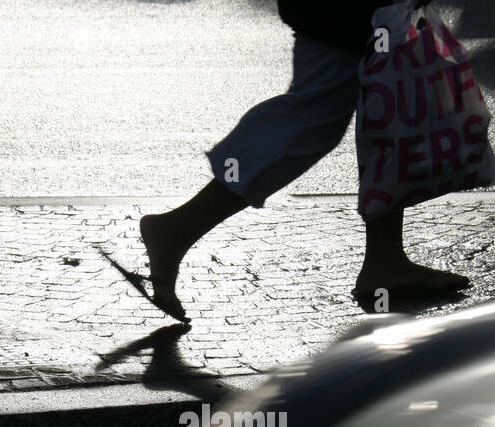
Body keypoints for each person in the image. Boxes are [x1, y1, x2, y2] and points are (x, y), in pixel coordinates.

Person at [140, 0, 470, 321]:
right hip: (349, 10)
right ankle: (177, 228)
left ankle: (385, 259)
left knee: (384, 109)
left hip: (349, 10)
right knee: (316, 115)